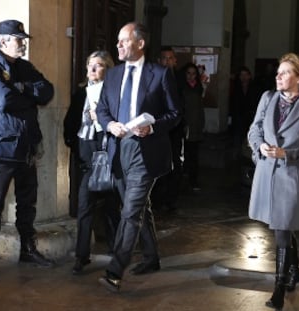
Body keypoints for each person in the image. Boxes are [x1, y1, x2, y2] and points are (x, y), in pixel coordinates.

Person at [96, 22, 181, 292]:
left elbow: (175, 113)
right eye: (118, 41)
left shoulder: (160, 74)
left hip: (146, 151)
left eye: (124, 41)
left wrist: (153, 126)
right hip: (119, 150)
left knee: (130, 213)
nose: (118, 45)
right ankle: (151, 257)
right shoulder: (112, 75)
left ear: (140, 43)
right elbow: (101, 110)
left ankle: (115, 271)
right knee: (140, 207)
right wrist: (110, 125)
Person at [0, 20, 54, 279]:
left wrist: (23, 88)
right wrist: (25, 96)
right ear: (3, 41)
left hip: (26, 146)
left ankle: (28, 249)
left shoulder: (24, 67)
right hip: (1, 147)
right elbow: (2, 100)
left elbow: (47, 92)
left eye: (23, 39)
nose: (23, 43)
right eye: (18, 39)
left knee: (27, 203)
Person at [248, 53, 299, 310]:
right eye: (278, 72)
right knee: (282, 226)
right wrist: (259, 146)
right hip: (266, 173)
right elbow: (255, 129)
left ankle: (279, 288)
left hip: (291, 176)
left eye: (284, 72)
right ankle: (296, 269)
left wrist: (287, 153)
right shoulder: (267, 98)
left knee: (281, 230)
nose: (278, 76)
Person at [63, 50, 120, 275]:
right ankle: (81, 255)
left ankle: (117, 250)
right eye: (90, 66)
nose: (92, 70)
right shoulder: (80, 93)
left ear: (108, 69)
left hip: (106, 155)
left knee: (110, 206)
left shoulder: (114, 93)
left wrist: (100, 119)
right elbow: (71, 121)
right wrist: (73, 143)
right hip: (86, 158)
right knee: (84, 206)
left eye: (98, 66)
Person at [151, 46, 184, 212]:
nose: (168, 61)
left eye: (171, 58)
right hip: (158, 128)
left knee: (175, 163)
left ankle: (171, 198)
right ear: (159, 60)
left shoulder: (179, 79)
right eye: (164, 58)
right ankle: (157, 199)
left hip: (176, 129)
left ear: (175, 60)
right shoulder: (153, 78)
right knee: (159, 163)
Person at [180, 62, 205, 192]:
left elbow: (200, 108)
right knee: (185, 155)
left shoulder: (198, 87)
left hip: (196, 126)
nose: (191, 76)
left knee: (194, 155)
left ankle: (193, 181)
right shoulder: (182, 88)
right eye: (188, 73)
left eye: (194, 73)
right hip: (185, 126)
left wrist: (201, 123)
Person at [230, 66, 261, 152]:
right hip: (238, 119)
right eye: (242, 75)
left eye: (245, 75)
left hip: (250, 119)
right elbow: (233, 104)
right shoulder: (236, 88)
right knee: (237, 141)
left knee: (250, 141)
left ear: (249, 76)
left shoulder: (255, 88)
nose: (243, 77)